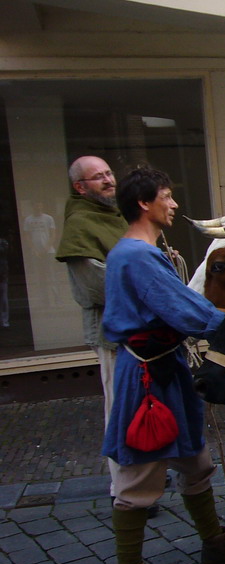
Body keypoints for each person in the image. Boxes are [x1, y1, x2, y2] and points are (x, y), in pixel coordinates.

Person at [103, 166, 225, 564]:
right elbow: (185, 311)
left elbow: (185, 306)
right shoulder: (136, 256)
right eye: (167, 196)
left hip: (166, 369)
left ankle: (215, 544)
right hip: (147, 379)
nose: (173, 204)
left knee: (194, 461)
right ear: (144, 203)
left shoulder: (145, 251)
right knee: (139, 474)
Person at [55, 157, 127, 425]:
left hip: (142, 328)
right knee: (123, 408)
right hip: (112, 332)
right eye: (98, 177)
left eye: (109, 173)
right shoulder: (80, 223)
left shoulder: (116, 214)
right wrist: (150, 290)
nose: (108, 180)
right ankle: (126, 468)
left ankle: (155, 466)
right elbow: (94, 285)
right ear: (80, 187)